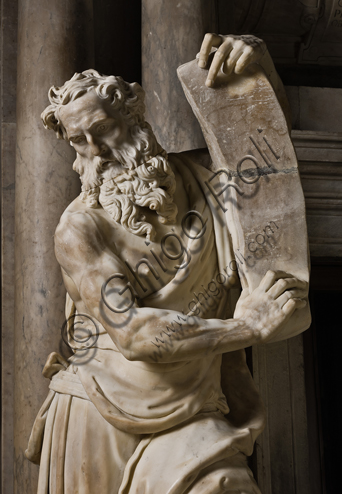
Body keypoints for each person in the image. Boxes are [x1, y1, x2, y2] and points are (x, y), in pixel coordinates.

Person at [26, 34, 308, 494]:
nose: (95, 152)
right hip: (101, 418)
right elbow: (134, 333)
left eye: (103, 130)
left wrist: (259, 72)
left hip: (196, 407)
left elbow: (269, 149)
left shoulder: (206, 177)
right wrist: (248, 329)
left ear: (133, 115)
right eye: (79, 142)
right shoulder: (78, 230)